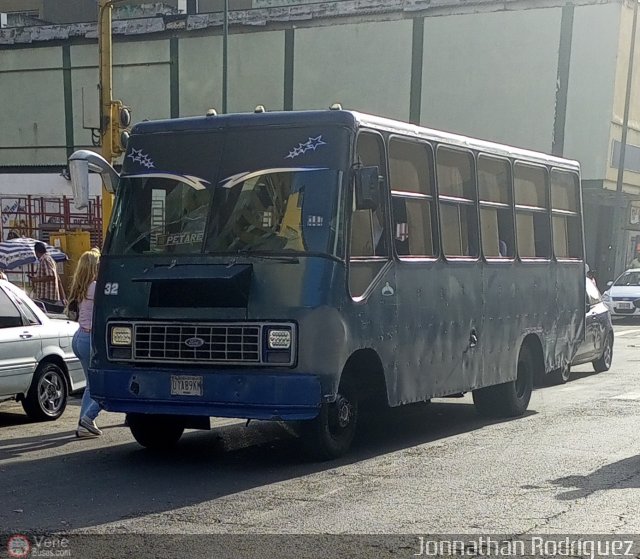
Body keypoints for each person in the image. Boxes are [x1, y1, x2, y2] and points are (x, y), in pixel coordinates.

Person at [68, 249, 102, 438]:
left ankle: (84, 423)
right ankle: (87, 419)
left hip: (79, 337)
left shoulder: (81, 287)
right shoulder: (96, 287)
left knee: (90, 385)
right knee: (102, 386)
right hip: (91, 339)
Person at [28, 241, 65, 312]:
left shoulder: (45, 259)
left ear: (36, 252)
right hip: (47, 295)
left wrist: (37, 280)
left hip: (47, 296)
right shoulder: (49, 259)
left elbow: (51, 276)